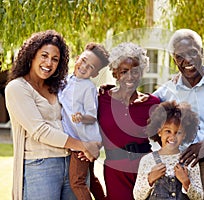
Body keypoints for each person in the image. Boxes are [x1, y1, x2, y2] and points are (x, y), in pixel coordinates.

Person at [5, 30, 100, 199]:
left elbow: (80, 104)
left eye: (55, 59)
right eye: (44, 55)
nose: (49, 63)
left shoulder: (58, 87)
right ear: (31, 55)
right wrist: (83, 146)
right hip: (41, 167)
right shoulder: (17, 88)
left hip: (71, 162)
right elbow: (40, 130)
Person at [153, 28, 204, 199]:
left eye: (192, 52)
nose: (187, 60)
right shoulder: (165, 93)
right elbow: (140, 111)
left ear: (202, 52)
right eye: (180, 55)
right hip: (176, 170)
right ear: (174, 59)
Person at [97, 42, 160, 200]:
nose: (130, 77)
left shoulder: (153, 103)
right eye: (124, 71)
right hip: (115, 170)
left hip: (146, 167)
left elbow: (165, 137)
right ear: (115, 73)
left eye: (135, 71)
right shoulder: (101, 99)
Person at [58, 42, 109, 199]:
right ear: (77, 57)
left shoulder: (88, 87)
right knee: (91, 178)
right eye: (84, 60)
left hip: (83, 140)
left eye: (91, 67)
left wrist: (81, 117)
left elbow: (92, 115)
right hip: (77, 138)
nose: (85, 66)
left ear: (94, 74)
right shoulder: (65, 80)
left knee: (77, 182)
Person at [133, 100, 204, 200]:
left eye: (178, 132)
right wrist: (150, 179)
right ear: (159, 131)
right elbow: (137, 196)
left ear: (184, 135)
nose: (172, 137)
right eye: (168, 131)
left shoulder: (189, 160)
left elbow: (199, 197)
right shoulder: (147, 160)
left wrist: (186, 182)